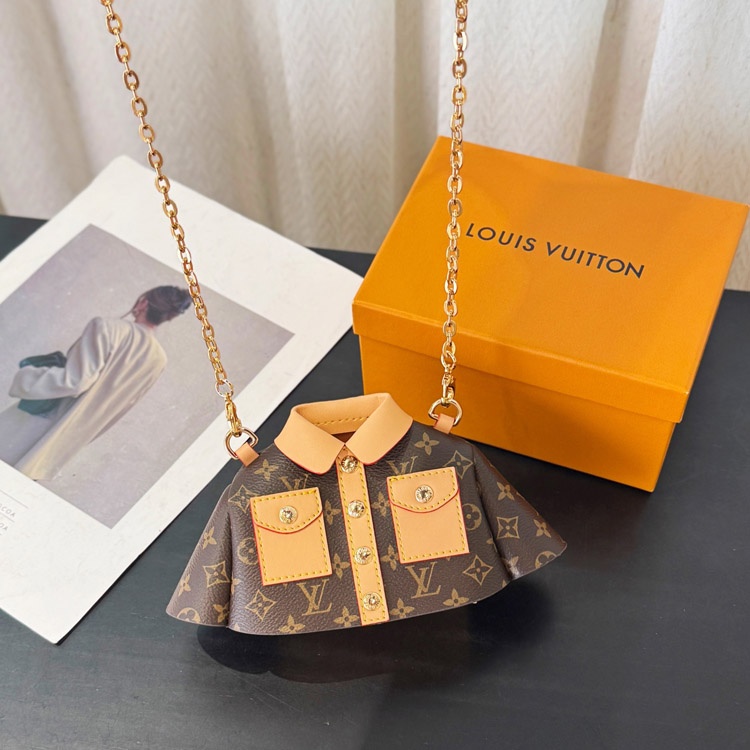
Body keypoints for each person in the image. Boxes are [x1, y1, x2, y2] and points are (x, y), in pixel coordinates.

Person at [0, 286, 191, 480]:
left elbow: (74, 381)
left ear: (144, 303)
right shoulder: (158, 360)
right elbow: (118, 410)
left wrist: (27, 376)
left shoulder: (106, 328)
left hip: (36, 421)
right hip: (66, 441)